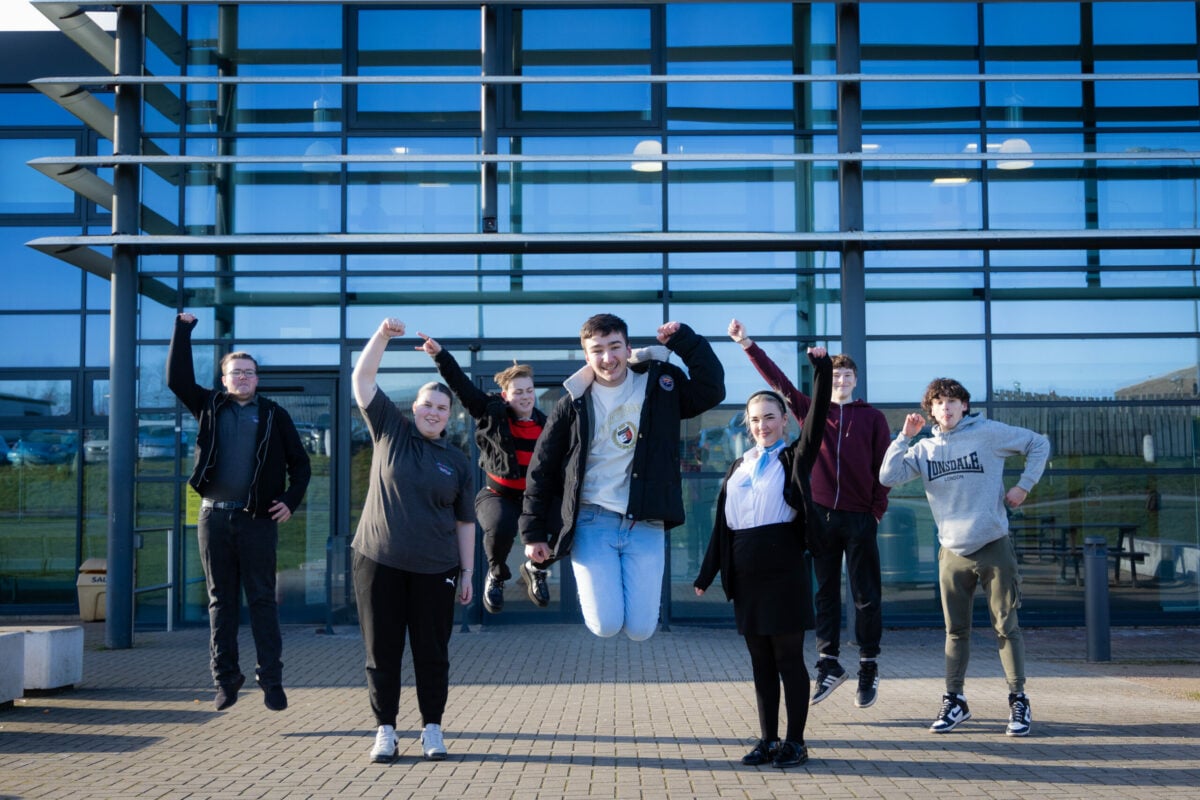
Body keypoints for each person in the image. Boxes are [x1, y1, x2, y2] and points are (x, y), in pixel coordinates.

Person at [520, 314, 725, 641]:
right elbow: (541, 469)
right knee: (605, 624)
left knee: (643, 630)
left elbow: (711, 390)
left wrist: (686, 341)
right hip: (592, 519)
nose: (607, 358)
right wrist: (533, 534)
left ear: (628, 348)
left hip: (645, 521)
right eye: (597, 350)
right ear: (587, 356)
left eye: (614, 347)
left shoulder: (661, 385)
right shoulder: (571, 404)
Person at [728, 319, 892, 708]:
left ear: (855, 380)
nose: (841, 381)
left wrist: (875, 511)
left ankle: (868, 664)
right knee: (823, 593)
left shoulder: (872, 418)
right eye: (836, 375)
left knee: (866, 595)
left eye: (847, 375)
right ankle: (828, 664)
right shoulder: (810, 411)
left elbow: (884, 468)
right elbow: (778, 381)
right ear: (829, 380)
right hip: (820, 518)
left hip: (859, 517)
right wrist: (745, 343)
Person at [879, 377, 1050, 737]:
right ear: (931, 410)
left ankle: (1019, 701)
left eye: (953, 400)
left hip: (993, 544)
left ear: (964, 406)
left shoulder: (988, 433)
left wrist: (1024, 485)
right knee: (955, 631)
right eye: (939, 402)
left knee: (1006, 626)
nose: (946, 407)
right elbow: (888, 476)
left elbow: (1038, 443)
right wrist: (904, 437)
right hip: (952, 552)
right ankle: (955, 701)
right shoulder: (923, 450)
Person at [695, 348, 832, 769]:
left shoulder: (794, 456)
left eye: (769, 417)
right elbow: (724, 524)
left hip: (784, 570)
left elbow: (820, 413)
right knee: (760, 663)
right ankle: (768, 740)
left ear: (785, 421)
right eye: (754, 419)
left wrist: (821, 370)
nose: (761, 425)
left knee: (788, 659)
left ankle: (796, 742)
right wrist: (706, 574)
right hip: (746, 571)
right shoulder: (740, 464)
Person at [166, 312, 311, 713]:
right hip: (213, 518)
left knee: (263, 599)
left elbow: (301, 465)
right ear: (224, 379)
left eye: (249, 373)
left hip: (258, 520)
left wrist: (290, 500)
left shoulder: (273, 415)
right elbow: (177, 379)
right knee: (220, 601)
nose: (243, 378)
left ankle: (272, 680)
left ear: (257, 379)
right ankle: (226, 681)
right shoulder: (210, 407)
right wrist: (183, 331)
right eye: (236, 373)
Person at [351, 317, 475, 763]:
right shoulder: (390, 430)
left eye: (442, 409)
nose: (434, 412)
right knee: (381, 651)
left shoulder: (459, 463)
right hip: (378, 561)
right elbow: (362, 379)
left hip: (436, 568)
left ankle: (432, 730)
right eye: (428, 405)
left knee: (431, 654)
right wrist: (383, 336)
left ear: (449, 415)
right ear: (414, 407)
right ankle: (385, 730)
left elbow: (465, 522)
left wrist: (467, 573)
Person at [417, 333, 550, 613]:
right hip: (496, 494)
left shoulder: (547, 425)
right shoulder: (491, 413)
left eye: (529, 390)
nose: (525, 397)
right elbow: (462, 386)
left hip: (533, 498)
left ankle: (536, 569)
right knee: (501, 526)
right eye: (518, 392)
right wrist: (440, 355)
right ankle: (497, 576)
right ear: (506, 396)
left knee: (568, 523)